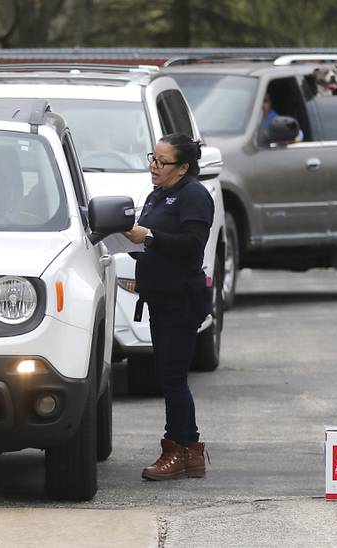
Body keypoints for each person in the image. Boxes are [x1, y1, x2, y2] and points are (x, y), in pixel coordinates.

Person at [123, 133, 214, 481]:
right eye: (152, 158)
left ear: (184, 167)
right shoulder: (157, 195)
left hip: (181, 298)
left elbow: (192, 246)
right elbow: (155, 242)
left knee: (173, 377)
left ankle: (178, 448)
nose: (154, 167)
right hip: (160, 296)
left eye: (162, 162)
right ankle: (190, 452)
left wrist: (149, 237)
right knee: (168, 374)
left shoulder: (194, 196)